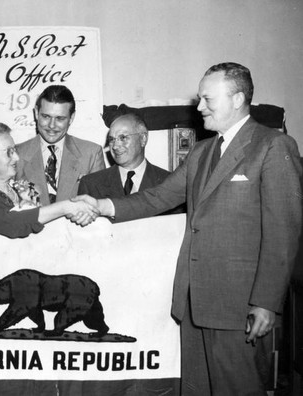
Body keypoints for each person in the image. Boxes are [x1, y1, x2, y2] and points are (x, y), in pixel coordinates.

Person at [73, 62, 302, 395]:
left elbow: (283, 233)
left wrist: (266, 302)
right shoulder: (201, 152)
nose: (199, 107)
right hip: (193, 303)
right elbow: (157, 198)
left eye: (208, 99)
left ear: (237, 99)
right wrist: (103, 206)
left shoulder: (272, 146)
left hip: (239, 308)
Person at [0, 120, 99, 238]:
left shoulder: (24, 188)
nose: (17, 158)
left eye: (15, 150)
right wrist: (65, 206)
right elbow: (10, 224)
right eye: (9, 152)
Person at [16, 85, 105, 205]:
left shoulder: (92, 153)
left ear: (71, 118)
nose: (52, 126)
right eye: (46, 116)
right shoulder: (16, 154)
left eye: (60, 118)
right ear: (36, 113)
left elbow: (98, 206)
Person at [78, 113, 170, 198]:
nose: (115, 146)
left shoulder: (169, 183)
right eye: (111, 139)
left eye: (123, 138)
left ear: (143, 139)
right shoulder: (91, 184)